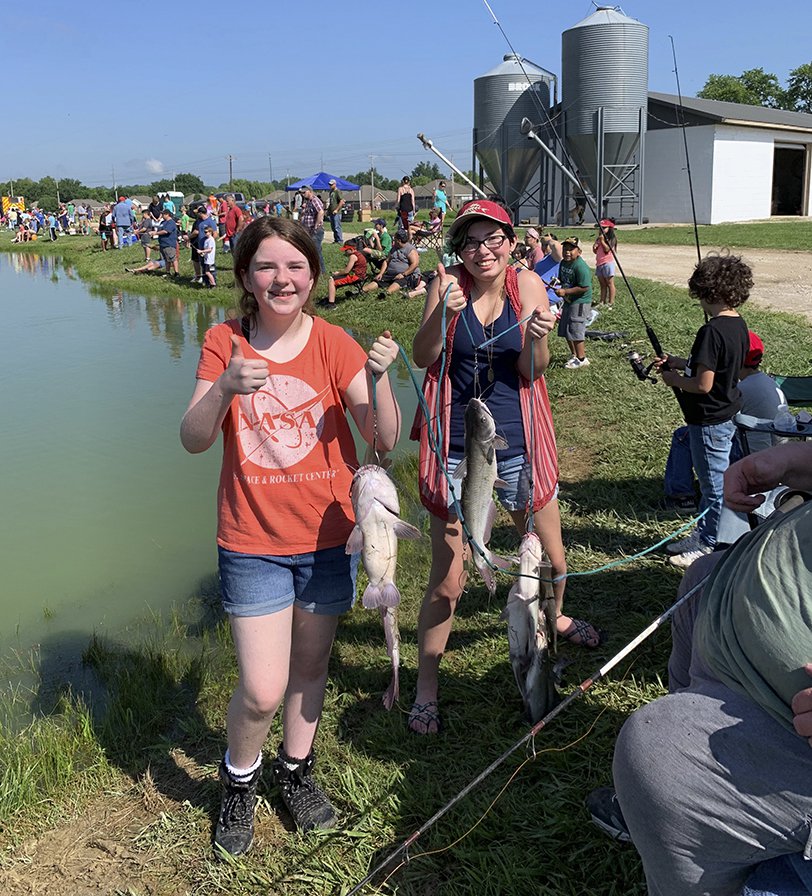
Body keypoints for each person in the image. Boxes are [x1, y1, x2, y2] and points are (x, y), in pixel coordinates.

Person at [180, 215, 401, 857]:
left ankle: (296, 769)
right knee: (262, 687)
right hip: (250, 540)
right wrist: (223, 388)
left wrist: (381, 379)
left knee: (310, 665)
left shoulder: (334, 343)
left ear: (313, 275)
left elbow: (381, 440)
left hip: (332, 537)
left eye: (296, 266)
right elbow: (193, 439)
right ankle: (239, 781)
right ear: (247, 276)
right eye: (268, 266)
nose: (283, 278)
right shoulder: (225, 340)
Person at [408, 199, 600, 736]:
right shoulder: (445, 286)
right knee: (447, 581)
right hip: (458, 445)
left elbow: (532, 371)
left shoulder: (528, 287)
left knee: (552, 559)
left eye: (493, 239)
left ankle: (554, 623)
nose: (482, 250)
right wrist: (442, 316)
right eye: (470, 241)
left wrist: (538, 338)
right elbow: (423, 356)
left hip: (518, 440)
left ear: (511, 242)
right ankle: (426, 685)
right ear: (458, 250)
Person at [588, 441, 812, 896]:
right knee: (703, 574)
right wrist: (793, 462)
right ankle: (674, 820)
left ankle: (688, 805)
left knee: (659, 751)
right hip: (730, 603)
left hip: (791, 717)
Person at [658, 253, 751, 567]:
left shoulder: (710, 331)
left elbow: (703, 384)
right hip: (727, 414)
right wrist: (681, 363)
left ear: (707, 292)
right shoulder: (739, 325)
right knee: (716, 481)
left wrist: (673, 378)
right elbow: (723, 368)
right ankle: (704, 532)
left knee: (712, 485)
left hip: (708, 419)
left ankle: (709, 543)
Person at [663, 330, 783, 512]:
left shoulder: (741, 389)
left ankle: (681, 497)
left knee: (684, 436)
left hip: (749, 455)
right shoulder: (766, 382)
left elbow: (716, 417)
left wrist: (677, 380)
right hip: (774, 454)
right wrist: (682, 363)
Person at [555, 236, 593, 369]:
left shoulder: (580, 266)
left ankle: (582, 359)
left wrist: (565, 292)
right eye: (565, 248)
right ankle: (574, 355)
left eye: (571, 249)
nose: (567, 252)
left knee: (576, 329)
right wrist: (556, 284)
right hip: (568, 301)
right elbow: (562, 279)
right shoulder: (563, 263)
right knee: (566, 328)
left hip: (580, 301)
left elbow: (584, 287)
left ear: (579, 252)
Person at [362, 229, 421, 298]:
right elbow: (386, 261)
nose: (393, 240)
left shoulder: (410, 249)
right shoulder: (394, 248)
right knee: (378, 280)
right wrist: (381, 273)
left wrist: (403, 274)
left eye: (394, 238)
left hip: (406, 275)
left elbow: (415, 264)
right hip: (391, 274)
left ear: (399, 240)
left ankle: (386, 293)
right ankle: (361, 290)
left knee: (399, 282)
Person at [319, 239, 368, 310]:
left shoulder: (353, 256)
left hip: (356, 277)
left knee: (331, 280)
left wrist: (337, 273)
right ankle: (330, 297)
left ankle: (331, 304)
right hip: (360, 275)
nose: (345, 251)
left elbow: (346, 271)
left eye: (346, 250)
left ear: (351, 249)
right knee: (335, 279)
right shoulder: (360, 254)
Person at [299, 185, 325, 273]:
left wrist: (316, 225)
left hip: (316, 231)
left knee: (316, 251)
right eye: (301, 193)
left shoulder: (314, 200)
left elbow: (321, 212)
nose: (302, 194)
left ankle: (321, 271)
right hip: (310, 230)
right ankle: (317, 270)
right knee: (313, 250)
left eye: (304, 192)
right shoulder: (309, 201)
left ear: (309, 191)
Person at [592, 218, 617, 310]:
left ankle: (611, 302)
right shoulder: (599, 238)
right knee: (602, 284)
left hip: (607, 262)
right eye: (600, 228)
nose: (601, 229)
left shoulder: (611, 238)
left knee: (610, 283)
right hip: (599, 263)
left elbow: (607, 249)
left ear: (609, 228)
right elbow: (596, 251)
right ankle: (602, 301)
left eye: (604, 228)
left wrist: (602, 241)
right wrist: (595, 247)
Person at [155, 208, 179, 276]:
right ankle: (167, 272)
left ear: (167, 214)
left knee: (172, 258)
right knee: (166, 259)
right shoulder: (162, 222)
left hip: (169, 243)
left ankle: (176, 273)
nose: (162, 215)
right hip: (163, 243)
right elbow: (160, 229)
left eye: (163, 214)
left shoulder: (171, 222)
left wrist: (155, 233)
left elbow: (166, 231)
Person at [326, 179, 344, 243]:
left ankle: (340, 240)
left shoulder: (337, 191)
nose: (330, 186)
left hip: (337, 213)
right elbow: (331, 202)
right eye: (329, 184)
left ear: (335, 184)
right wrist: (328, 211)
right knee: (333, 227)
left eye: (331, 184)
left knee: (337, 226)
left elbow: (341, 201)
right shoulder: (331, 192)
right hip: (331, 212)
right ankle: (336, 240)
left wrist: (336, 210)